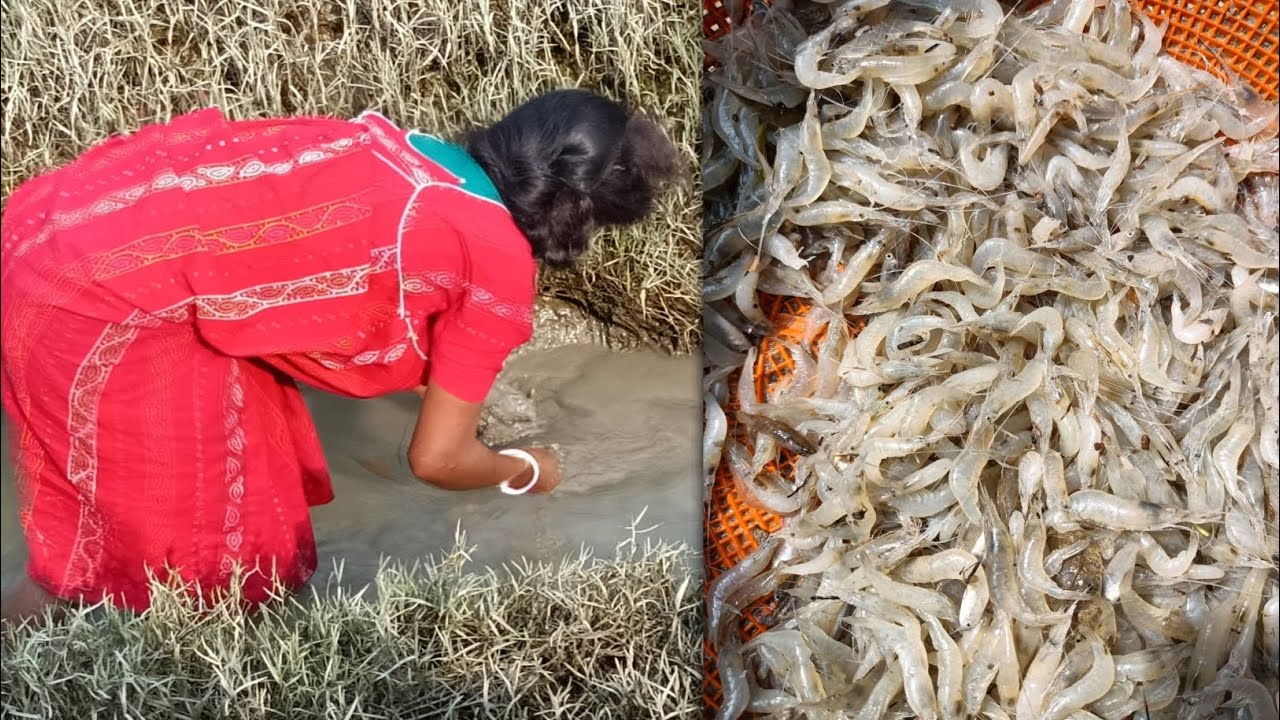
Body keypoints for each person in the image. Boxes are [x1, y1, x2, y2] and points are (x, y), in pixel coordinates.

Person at [0, 89, 681, 623]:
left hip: (51, 225)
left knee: (200, 515)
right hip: (104, 307)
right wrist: (533, 469)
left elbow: (340, 283)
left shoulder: (400, 149)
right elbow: (437, 461)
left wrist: (456, 397)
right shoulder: (496, 265)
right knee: (172, 567)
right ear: (582, 220)